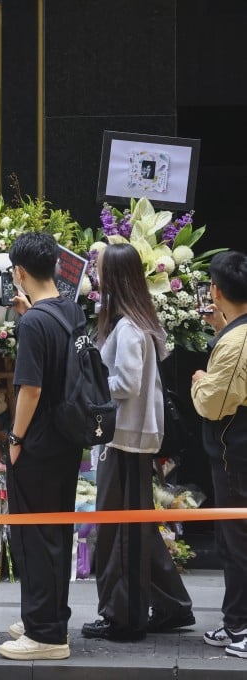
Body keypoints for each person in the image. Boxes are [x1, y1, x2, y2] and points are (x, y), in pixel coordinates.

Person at [81, 243, 194, 642]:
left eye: (99, 269)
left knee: (119, 533)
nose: (95, 274)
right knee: (136, 530)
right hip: (130, 442)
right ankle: (172, 605)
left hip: (125, 443)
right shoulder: (134, 322)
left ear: (114, 276)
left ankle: (124, 618)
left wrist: (89, 388)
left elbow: (124, 385)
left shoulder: (128, 328)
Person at [0, 231, 84, 661]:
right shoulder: (70, 309)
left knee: (33, 536)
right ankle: (48, 617)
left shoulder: (34, 322)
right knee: (55, 533)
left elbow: (29, 390)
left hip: (39, 442)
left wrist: (15, 439)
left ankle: (45, 635)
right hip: (67, 440)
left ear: (19, 272)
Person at [190, 250, 247, 659]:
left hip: (235, 455)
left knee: (237, 540)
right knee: (232, 541)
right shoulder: (236, 333)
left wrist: (199, 381)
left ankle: (243, 627)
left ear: (216, 290)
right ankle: (235, 621)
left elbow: (213, 403)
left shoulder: (237, 343)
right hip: (236, 452)